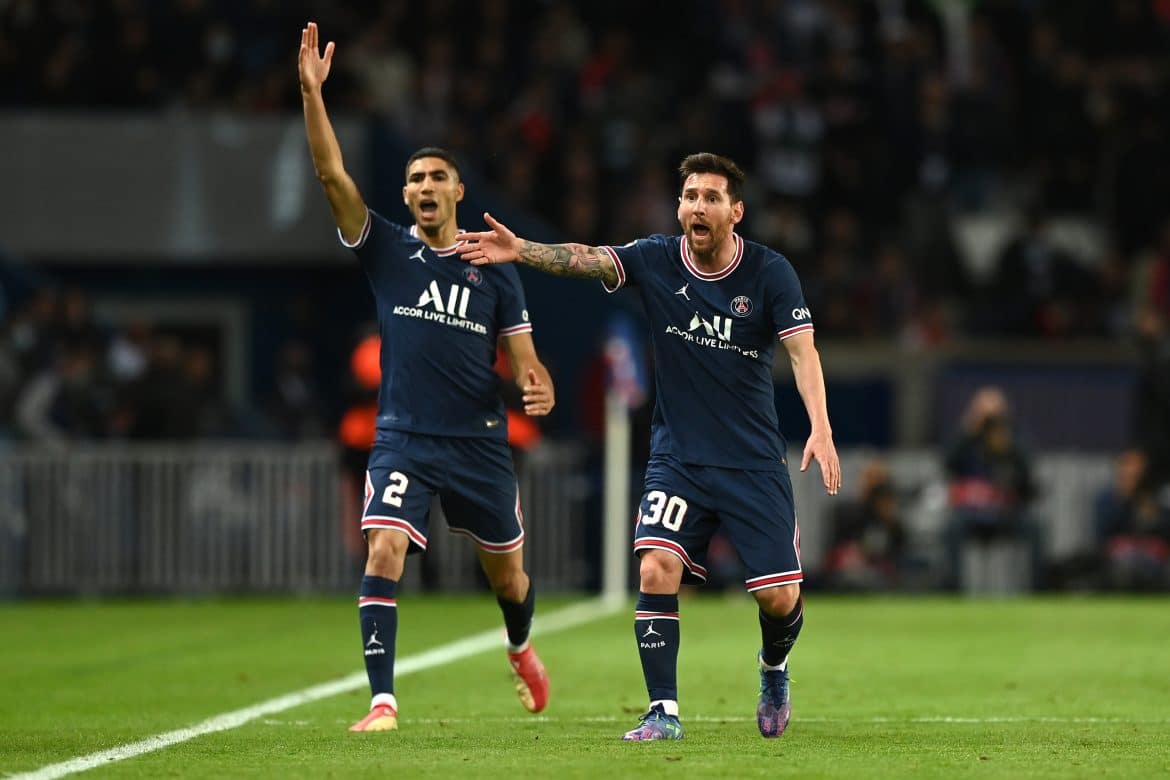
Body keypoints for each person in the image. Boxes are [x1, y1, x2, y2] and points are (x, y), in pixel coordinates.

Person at [456, 152, 841, 741]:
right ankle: (663, 711)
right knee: (656, 566)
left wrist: (821, 426)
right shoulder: (657, 258)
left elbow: (803, 352)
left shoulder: (770, 273)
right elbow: (588, 258)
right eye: (690, 197)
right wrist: (523, 250)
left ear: (736, 212)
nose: (697, 207)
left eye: (711, 198)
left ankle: (773, 667)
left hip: (751, 461)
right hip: (678, 457)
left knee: (779, 597)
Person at [298, 22, 555, 733]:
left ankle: (520, 647)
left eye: (437, 177)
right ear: (408, 196)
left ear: (458, 191)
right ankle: (382, 702)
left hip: (477, 441)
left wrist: (538, 383)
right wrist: (312, 95)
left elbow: (526, 359)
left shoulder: (492, 267)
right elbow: (332, 176)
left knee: (509, 577)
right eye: (415, 180)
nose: (424, 187)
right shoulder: (385, 250)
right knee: (383, 548)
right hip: (404, 438)